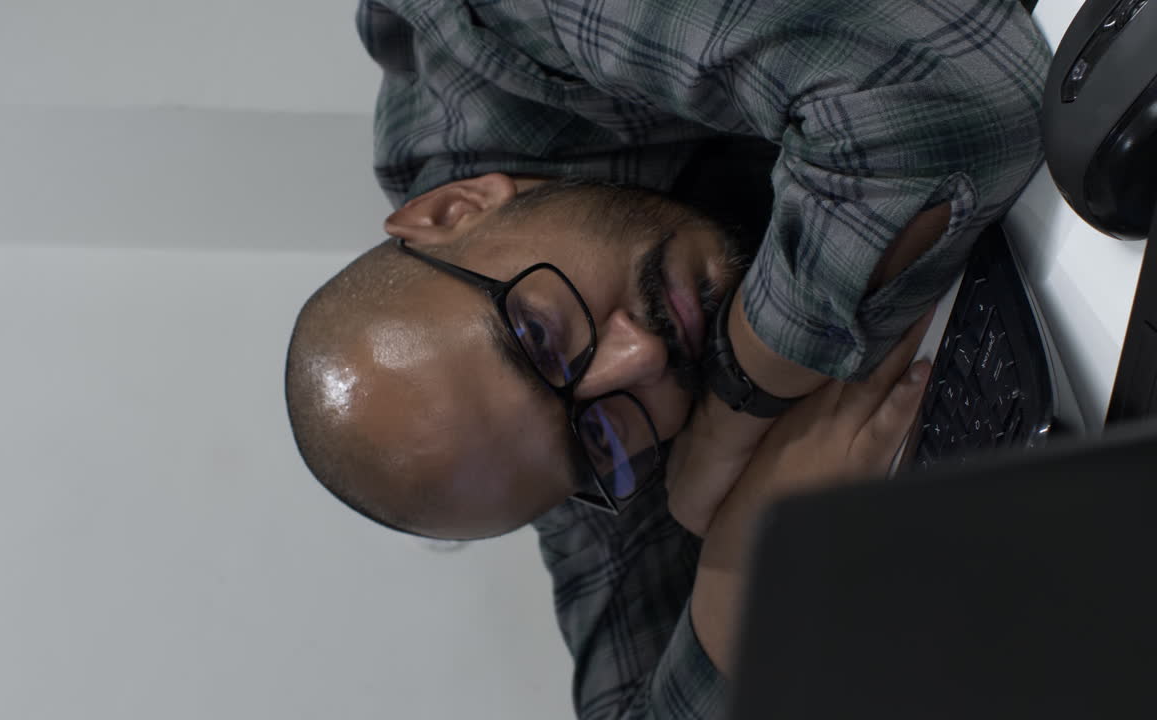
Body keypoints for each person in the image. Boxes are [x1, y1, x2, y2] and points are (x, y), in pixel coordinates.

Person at [285, 0, 1050, 716]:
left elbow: (955, 96)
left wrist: (742, 399)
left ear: (454, 211)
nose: (639, 358)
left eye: (538, 337)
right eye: (591, 437)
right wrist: (738, 572)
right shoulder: (556, 441)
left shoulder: (494, 31)